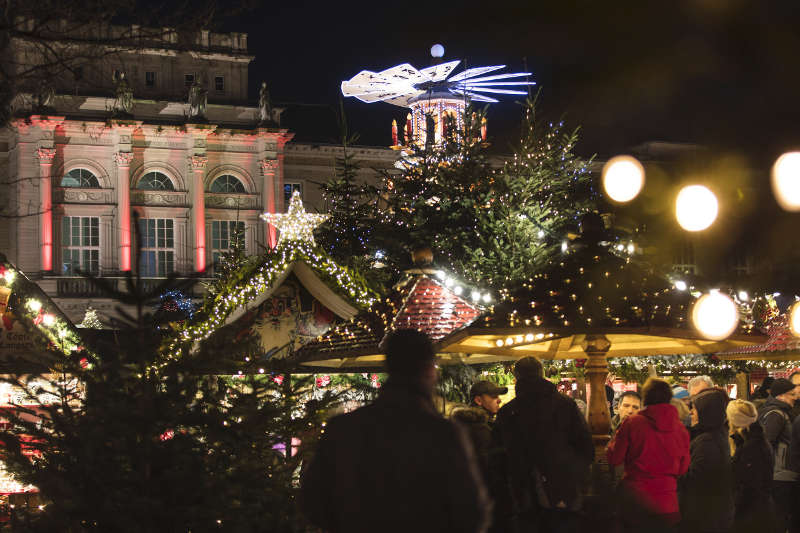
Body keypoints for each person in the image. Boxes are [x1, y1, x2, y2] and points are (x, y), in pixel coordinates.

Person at [300, 329, 491, 533]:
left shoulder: (344, 429)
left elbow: (312, 501)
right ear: (429, 370)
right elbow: (472, 512)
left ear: (389, 366)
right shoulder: (444, 434)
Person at [492, 357, 593, 532]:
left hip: (524, 492)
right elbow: (586, 447)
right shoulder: (565, 405)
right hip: (564, 488)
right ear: (542, 374)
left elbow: (499, 457)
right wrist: (574, 474)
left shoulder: (507, 413)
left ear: (517, 377)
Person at [607, 378, 689, 530]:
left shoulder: (632, 423)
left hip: (636, 502)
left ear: (646, 398)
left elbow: (614, 458)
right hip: (667, 505)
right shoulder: (681, 429)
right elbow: (683, 468)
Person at [680, 387, 734, 533]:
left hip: (705, 516)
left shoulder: (707, 441)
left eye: (695, 409)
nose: (691, 412)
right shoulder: (715, 434)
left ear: (706, 413)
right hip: (713, 514)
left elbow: (696, 479)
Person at [726, 399, 776, 533]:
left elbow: (749, 485)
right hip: (758, 510)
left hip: (751, 514)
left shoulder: (751, 447)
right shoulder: (754, 440)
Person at [757, 377, 798, 533]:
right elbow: (767, 443)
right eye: (791, 394)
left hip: (781, 472)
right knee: (780, 515)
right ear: (780, 395)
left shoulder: (781, 412)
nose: (795, 397)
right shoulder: (776, 414)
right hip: (780, 473)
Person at [451, 380, 508, 478]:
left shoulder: (481, 423)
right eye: (494, 397)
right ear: (478, 401)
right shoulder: (477, 427)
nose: (499, 400)